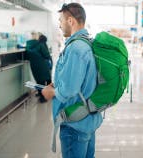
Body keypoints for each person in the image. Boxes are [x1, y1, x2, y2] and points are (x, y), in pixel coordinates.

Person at [41, 3, 103, 158]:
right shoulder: (88, 42)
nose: (60, 25)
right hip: (87, 118)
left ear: (71, 21)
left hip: (74, 124)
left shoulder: (76, 48)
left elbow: (70, 89)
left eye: (61, 20)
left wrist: (51, 92)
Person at [26, 32, 52, 103]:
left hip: (34, 65)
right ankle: (44, 97)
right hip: (42, 64)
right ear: (37, 37)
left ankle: (41, 95)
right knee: (44, 80)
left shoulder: (27, 45)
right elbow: (46, 54)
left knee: (38, 80)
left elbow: (27, 56)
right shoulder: (40, 44)